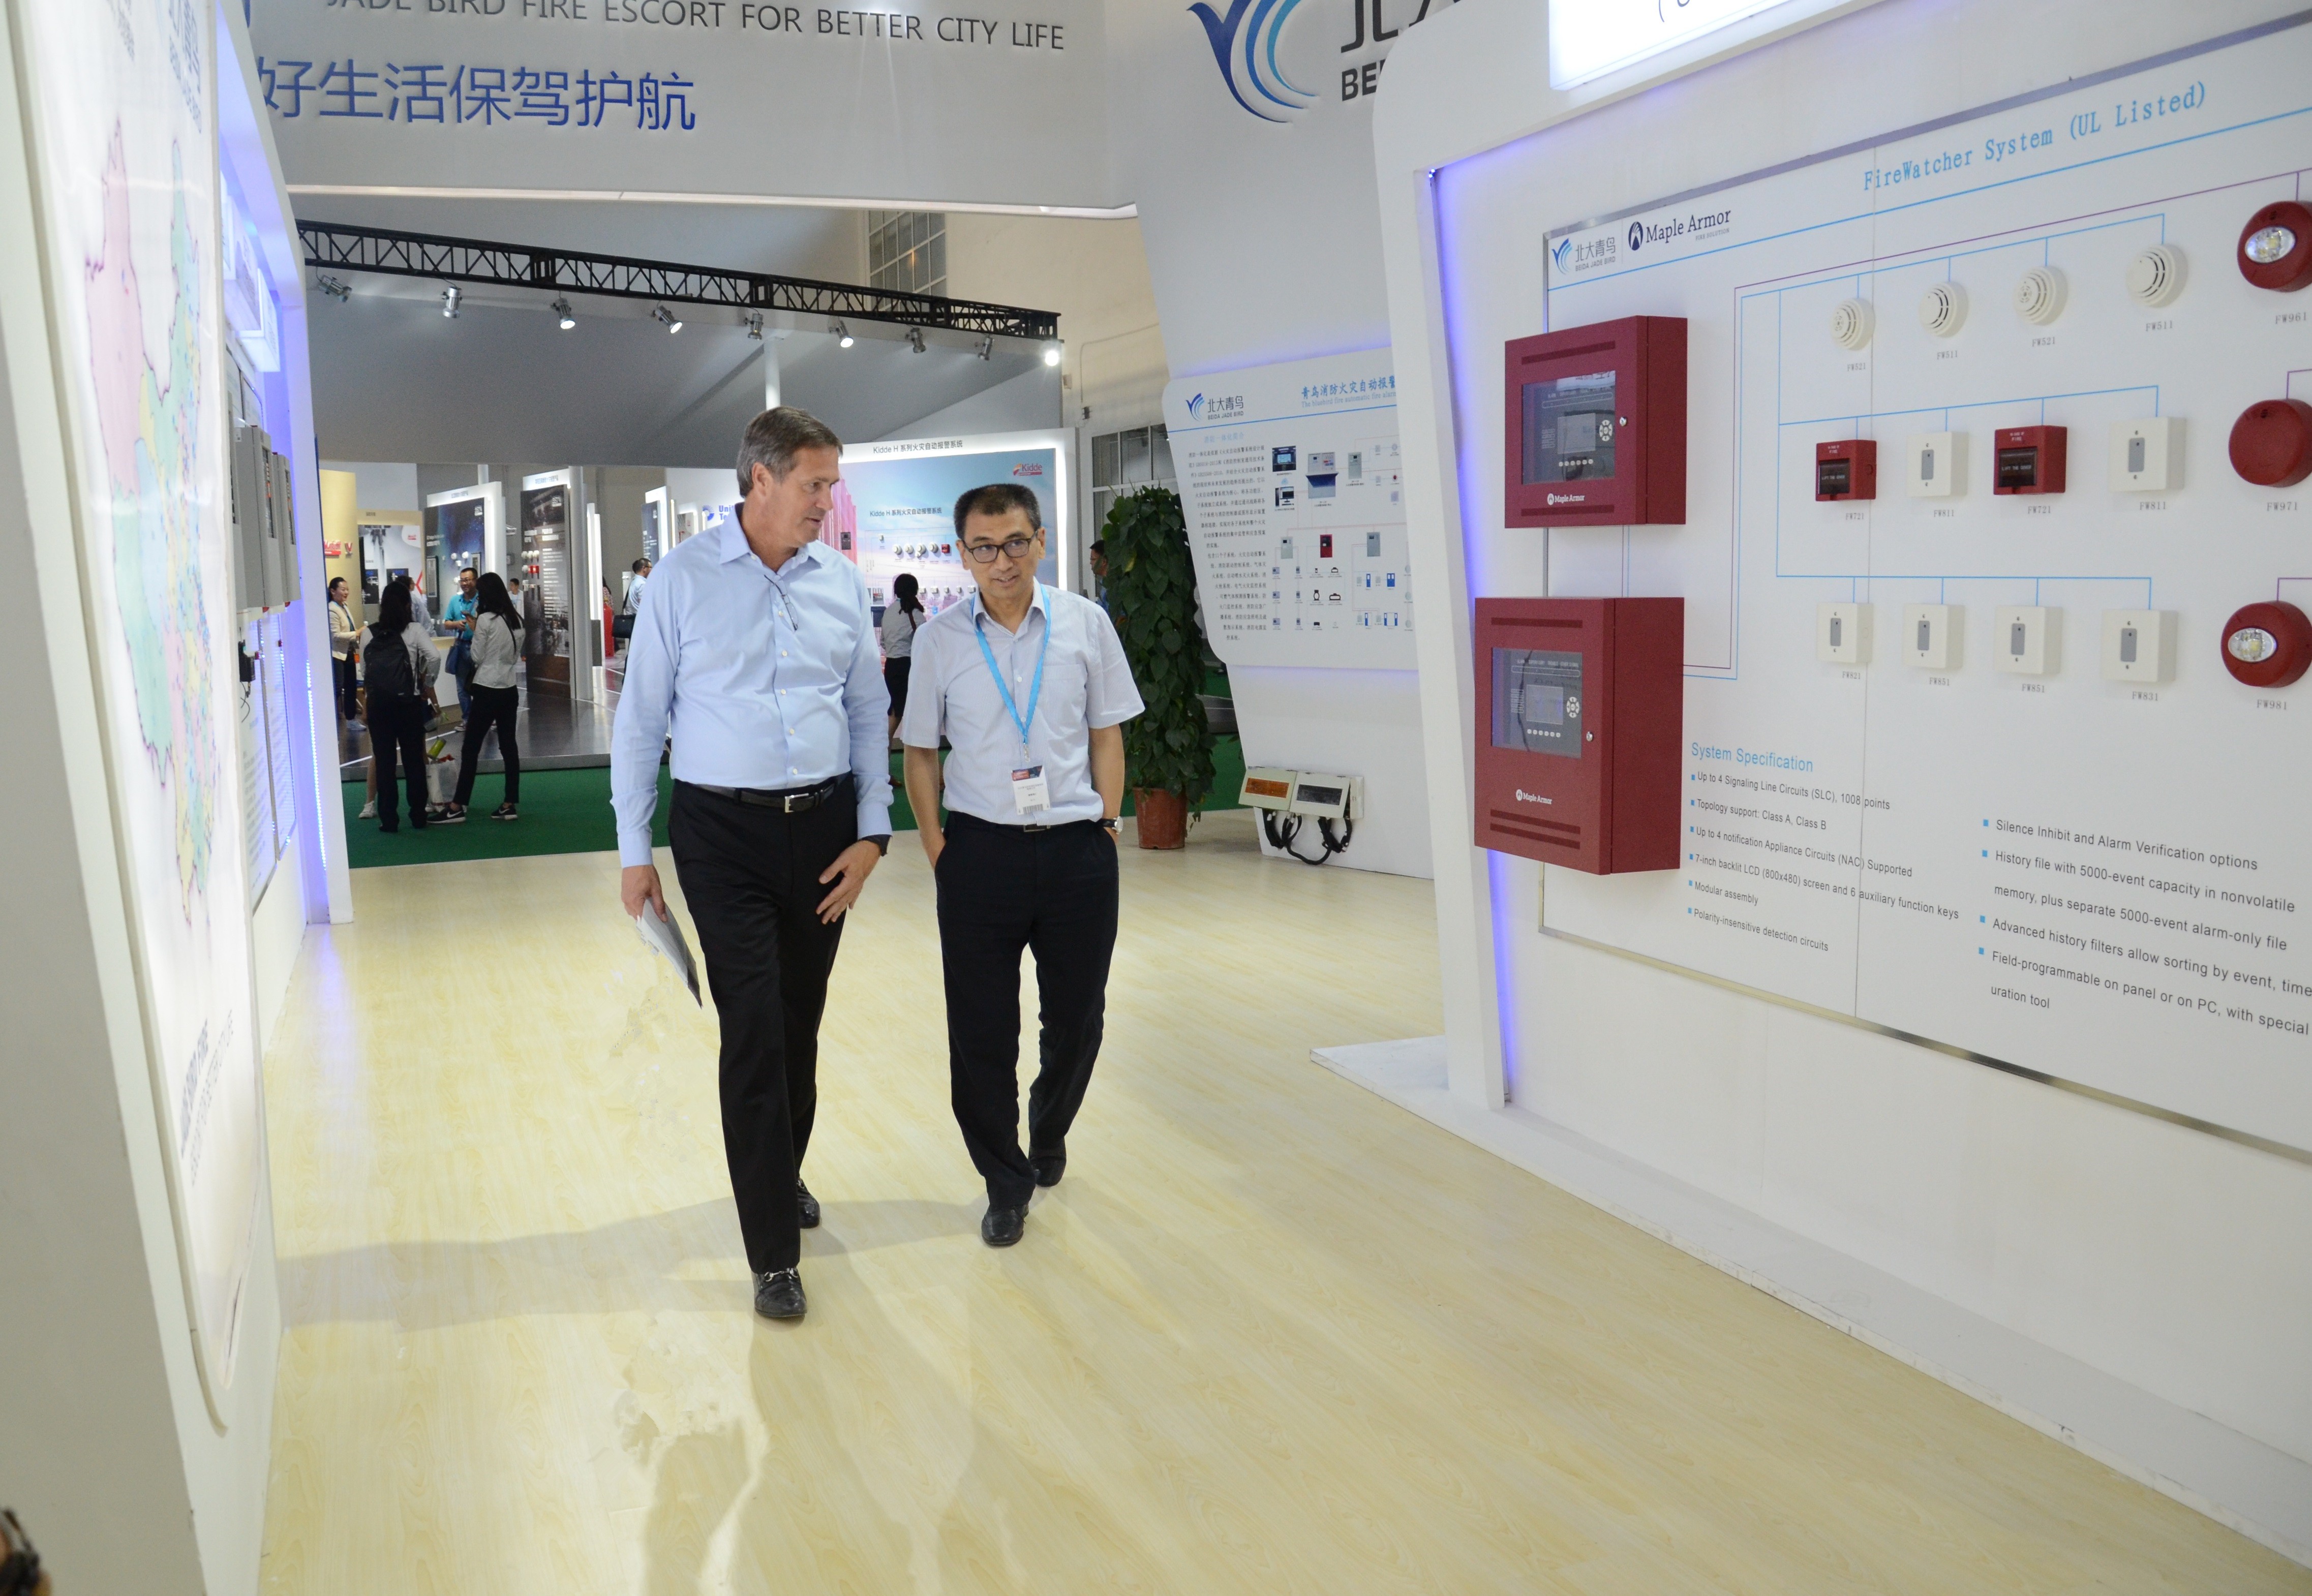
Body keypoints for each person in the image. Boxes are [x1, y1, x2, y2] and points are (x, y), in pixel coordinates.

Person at [612, 406, 893, 1322]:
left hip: (825, 834)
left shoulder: (838, 582)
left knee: (799, 1023)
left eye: (831, 484)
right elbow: (639, 721)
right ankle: (773, 1252)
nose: (827, 501)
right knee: (755, 1031)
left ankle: (781, 1168)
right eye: (815, 484)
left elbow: (865, 711)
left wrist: (872, 835)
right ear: (760, 479)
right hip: (720, 837)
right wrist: (634, 852)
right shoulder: (682, 580)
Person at [901, 483, 1142, 1249]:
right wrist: (938, 847)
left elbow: (1107, 732)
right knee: (980, 1031)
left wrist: (1107, 825)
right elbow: (920, 751)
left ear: (1040, 541)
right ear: (962, 554)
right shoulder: (940, 640)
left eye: (1014, 542)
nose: (1001, 561)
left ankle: (1048, 1125)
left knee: (1078, 1019)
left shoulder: (1085, 623)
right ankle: (1005, 1181)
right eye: (984, 547)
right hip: (980, 852)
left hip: (1076, 851)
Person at [358, 578, 443, 833]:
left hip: (379, 706)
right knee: (413, 761)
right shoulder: (414, 630)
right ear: (407, 605)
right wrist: (427, 683)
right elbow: (435, 656)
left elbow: (365, 672)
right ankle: (418, 816)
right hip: (409, 704)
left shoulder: (369, 633)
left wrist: (369, 703)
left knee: (384, 762)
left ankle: (389, 820)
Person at [441, 571, 523, 823]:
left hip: (487, 688)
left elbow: (477, 657)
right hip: (509, 688)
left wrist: (477, 630)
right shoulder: (517, 620)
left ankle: (457, 806)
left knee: (471, 748)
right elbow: (514, 656)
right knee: (509, 747)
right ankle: (509, 803)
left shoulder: (486, 620)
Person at [880, 571, 924, 741]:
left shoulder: (888, 612)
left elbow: (883, 642)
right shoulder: (916, 613)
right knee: (916, 713)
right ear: (915, 590)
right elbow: (926, 643)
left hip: (891, 667)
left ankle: (884, 754)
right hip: (909, 667)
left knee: (894, 713)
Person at [442, 565, 479, 720]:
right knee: (462, 687)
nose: (465, 583)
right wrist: (457, 624)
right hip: (461, 646)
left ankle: (483, 720)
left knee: (480, 687)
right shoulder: (455, 601)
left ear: (475, 581)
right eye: (462, 581)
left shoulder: (483, 600)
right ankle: (467, 720)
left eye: (468, 580)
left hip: (479, 647)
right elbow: (446, 623)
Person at [327, 577, 362, 725]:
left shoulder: (344, 607)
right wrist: (357, 633)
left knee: (351, 687)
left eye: (347, 589)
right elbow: (335, 636)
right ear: (333, 591)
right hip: (337, 655)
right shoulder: (332, 609)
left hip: (348, 652)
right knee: (338, 686)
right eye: (343, 590)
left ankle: (351, 720)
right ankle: (330, 720)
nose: (346, 592)